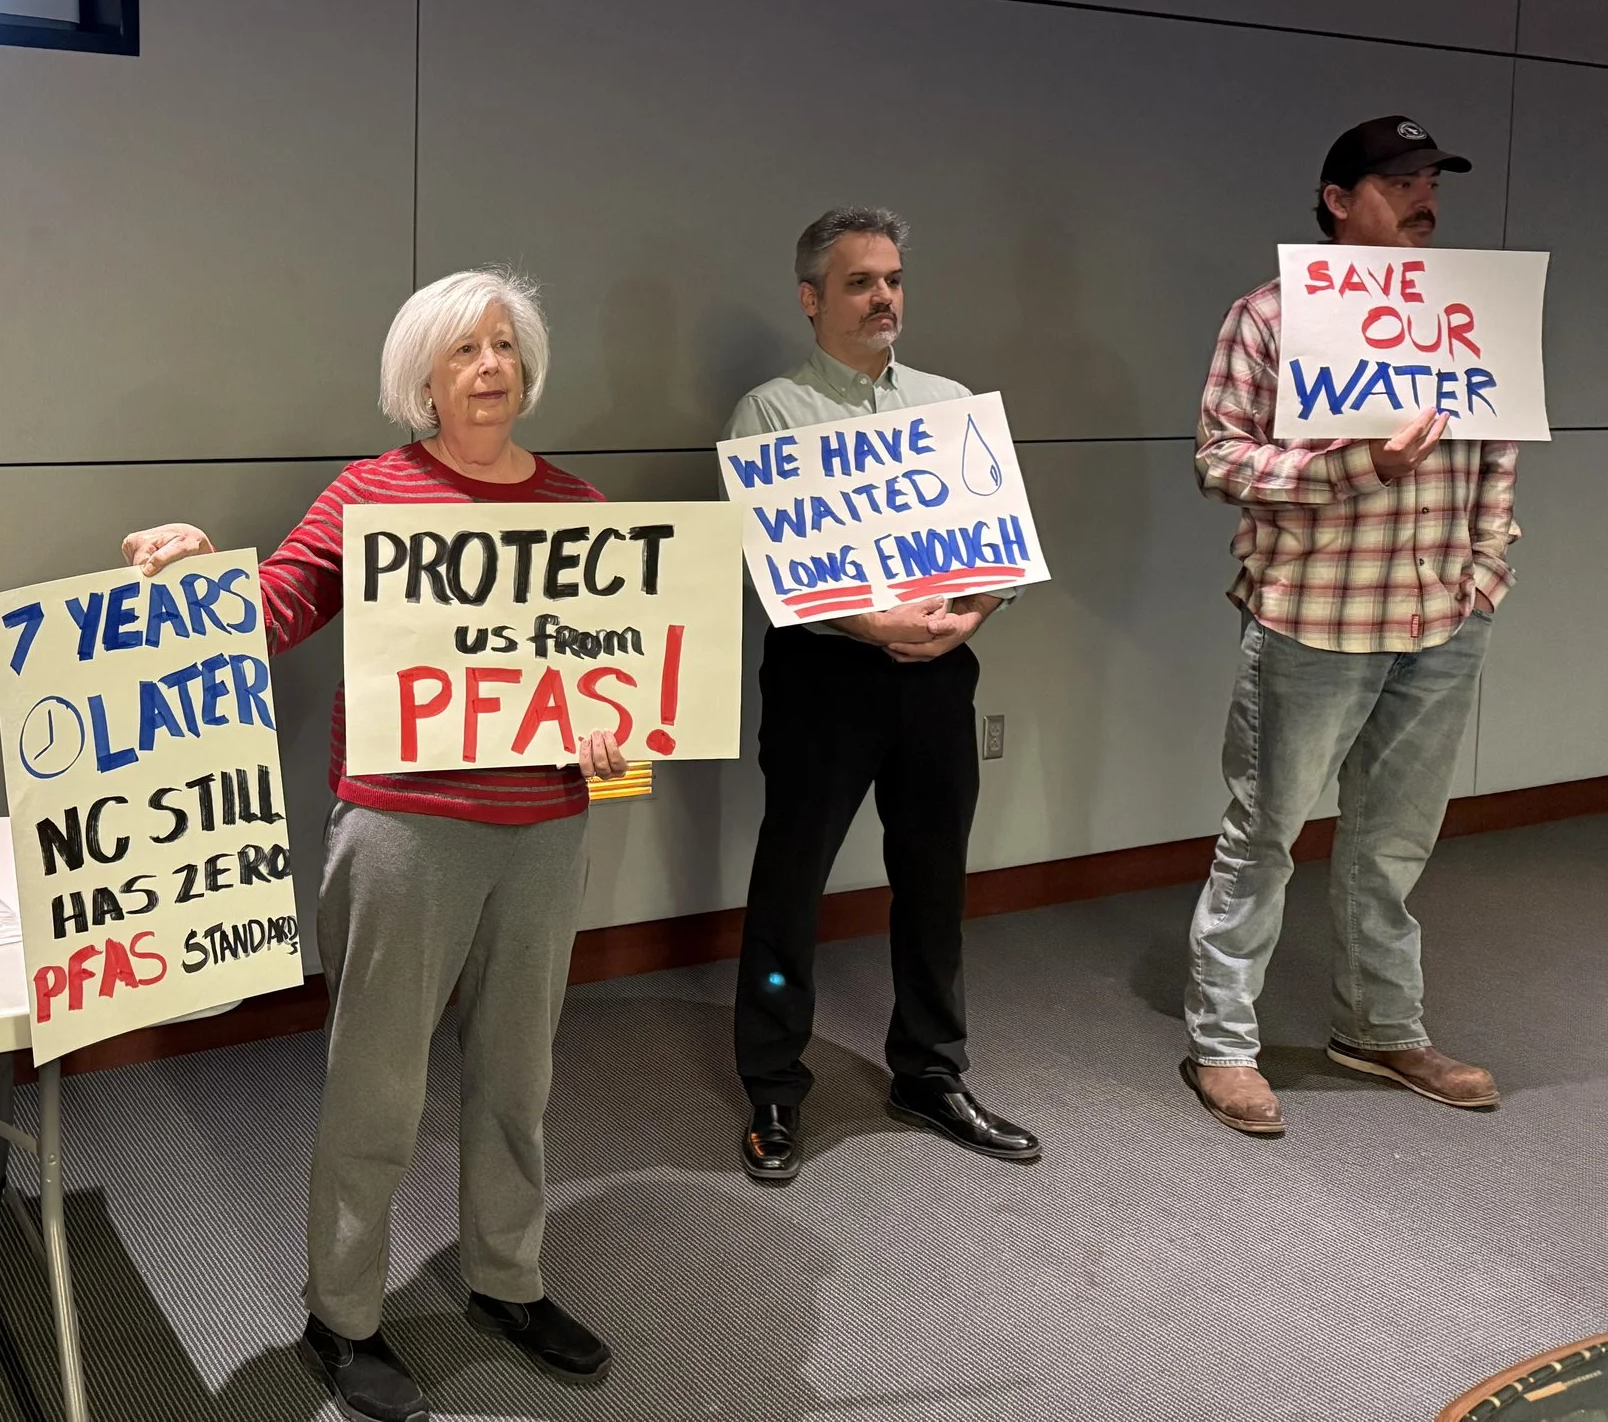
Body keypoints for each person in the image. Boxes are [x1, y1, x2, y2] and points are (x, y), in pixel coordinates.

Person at [121, 268, 619, 1422]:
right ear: (421, 379)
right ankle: (342, 1317)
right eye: (464, 350)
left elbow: (627, 689)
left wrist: (617, 749)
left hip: (544, 834)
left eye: (505, 346)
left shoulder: (578, 507)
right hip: (403, 832)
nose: (490, 367)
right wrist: (205, 565)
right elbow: (278, 606)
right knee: (376, 1090)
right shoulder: (374, 493)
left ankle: (506, 1281)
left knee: (519, 1079)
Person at [1181, 115, 1514, 1137]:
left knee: (1394, 842)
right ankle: (1222, 1043)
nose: (1424, 198)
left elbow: (1498, 452)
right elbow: (1219, 459)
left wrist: (1485, 573)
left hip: (1440, 617)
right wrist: (1359, 464)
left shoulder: (1467, 313)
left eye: (1432, 181)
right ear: (1336, 199)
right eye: (1399, 181)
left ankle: (1379, 1028)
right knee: (1264, 836)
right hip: (1313, 617)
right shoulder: (1268, 316)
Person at [723, 206, 1039, 1184]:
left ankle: (931, 1072)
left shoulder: (951, 405)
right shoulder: (771, 415)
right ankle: (774, 1084)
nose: (883, 297)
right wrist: (873, 626)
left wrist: (967, 617)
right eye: (860, 281)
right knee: (791, 883)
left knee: (935, 879)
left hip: (939, 673)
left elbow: (996, 549)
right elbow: (772, 562)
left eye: (894, 279)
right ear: (811, 298)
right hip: (825, 678)